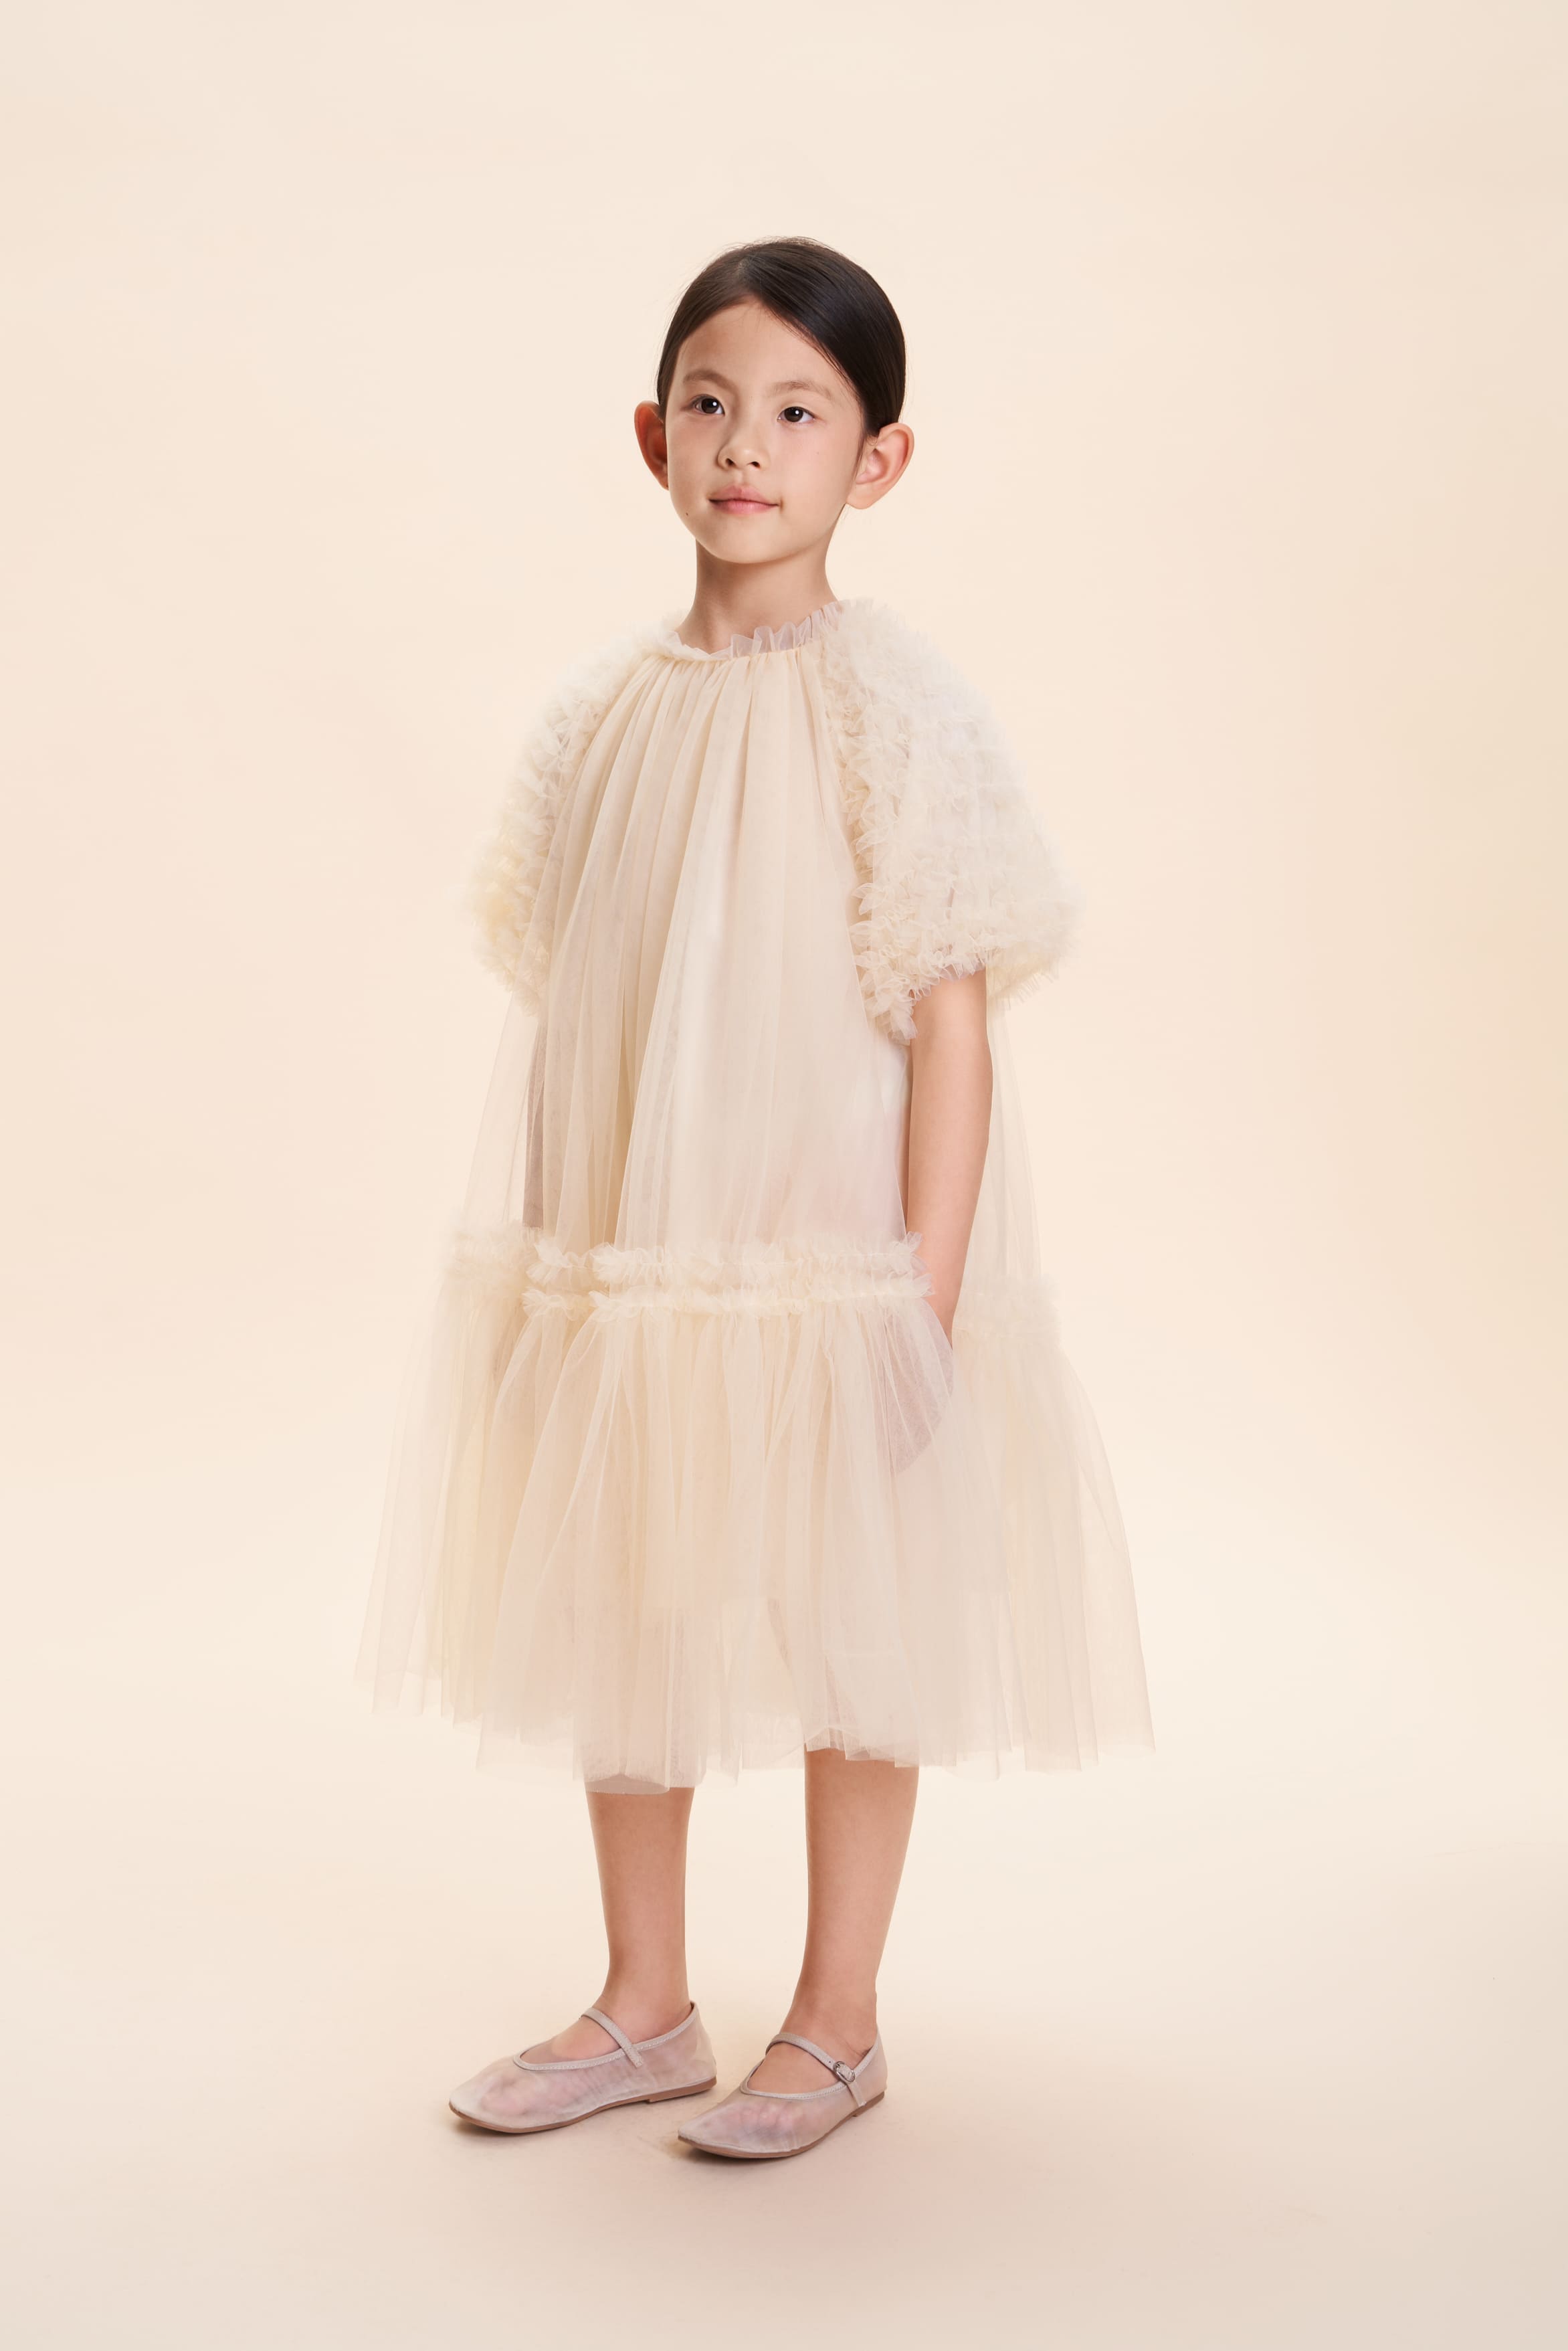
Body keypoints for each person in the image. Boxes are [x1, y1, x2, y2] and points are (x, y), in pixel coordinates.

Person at [359, 237, 1154, 2160]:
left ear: (878, 461)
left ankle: (839, 2018)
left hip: (831, 1251)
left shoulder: (900, 711)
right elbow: (576, 1014)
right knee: (629, 1584)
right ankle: (644, 2000)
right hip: (640, 1245)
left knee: (847, 1606)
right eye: (712, 404)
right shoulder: (600, 717)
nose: (746, 446)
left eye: (800, 413)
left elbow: (951, 1024)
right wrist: (555, 1273)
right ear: (652, 435)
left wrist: (922, 1298)